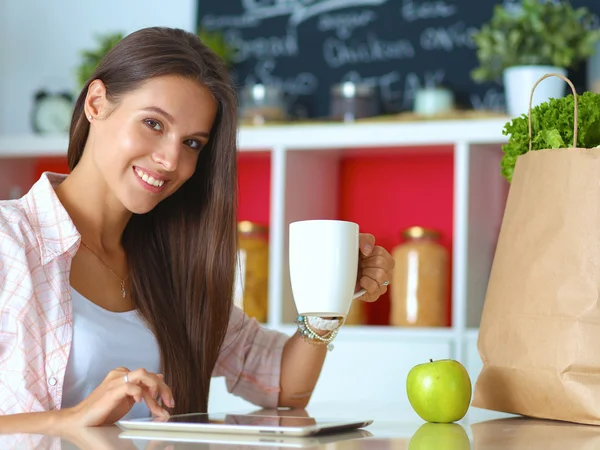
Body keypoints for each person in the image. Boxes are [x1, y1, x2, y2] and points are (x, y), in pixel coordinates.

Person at [0, 26, 394, 435]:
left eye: (192, 144)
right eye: (153, 123)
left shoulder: (173, 264)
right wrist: (67, 422)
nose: (171, 160)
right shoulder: (9, 243)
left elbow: (284, 388)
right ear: (97, 103)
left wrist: (327, 300)